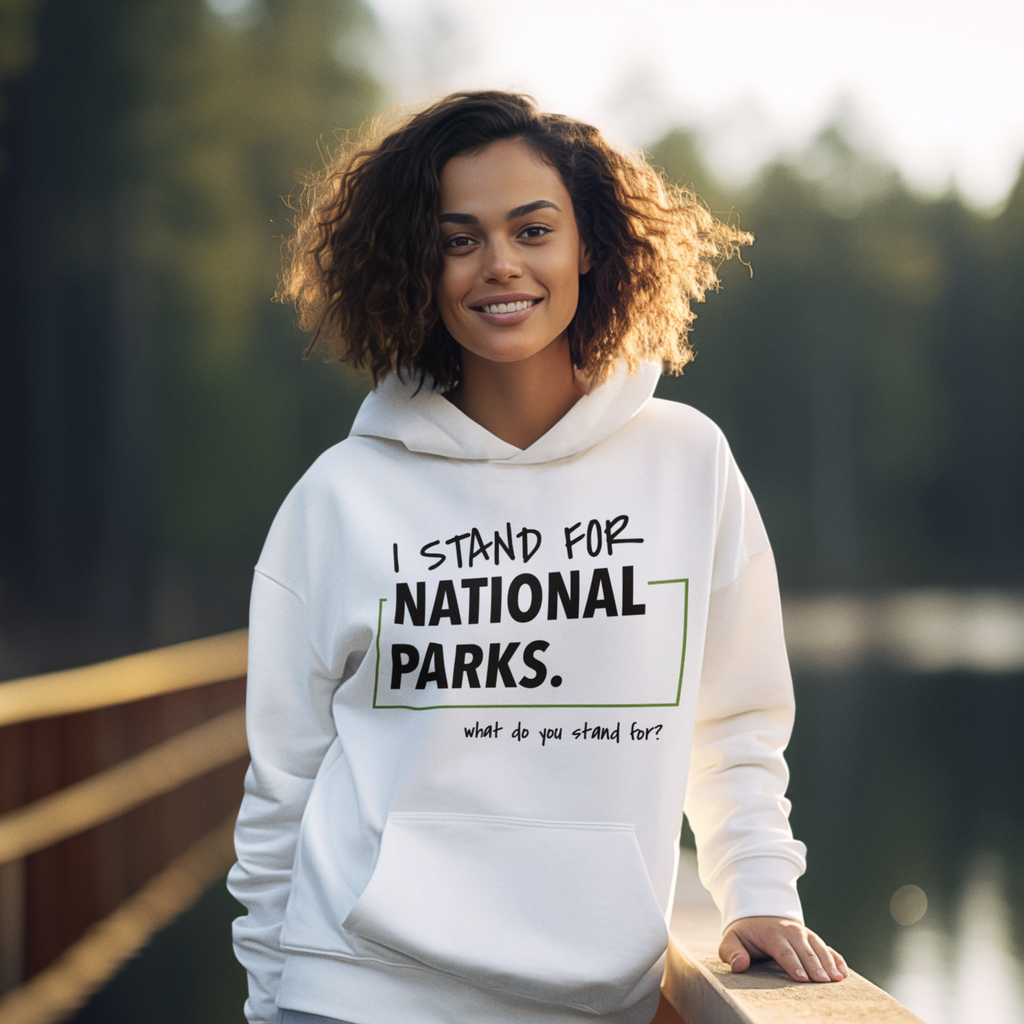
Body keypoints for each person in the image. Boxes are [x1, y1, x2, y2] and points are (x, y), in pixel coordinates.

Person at [228, 90, 848, 1024]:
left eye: (532, 229)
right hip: (358, 993)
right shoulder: (341, 496)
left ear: (589, 245)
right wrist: (268, 1004)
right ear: (417, 265)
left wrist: (760, 892)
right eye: (459, 238)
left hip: (597, 999)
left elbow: (736, 726)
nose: (500, 265)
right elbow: (282, 784)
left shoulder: (685, 462)